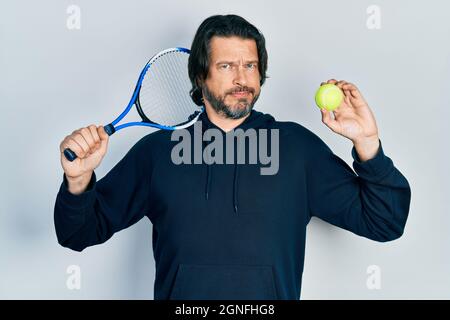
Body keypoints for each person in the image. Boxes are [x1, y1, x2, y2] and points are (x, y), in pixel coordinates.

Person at [54, 14, 411, 300]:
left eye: (250, 66)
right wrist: (78, 180)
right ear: (199, 74)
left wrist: (367, 144)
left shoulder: (298, 149)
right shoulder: (157, 153)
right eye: (226, 66)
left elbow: (385, 223)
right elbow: (78, 233)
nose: (242, 78)